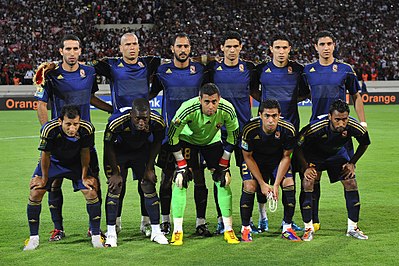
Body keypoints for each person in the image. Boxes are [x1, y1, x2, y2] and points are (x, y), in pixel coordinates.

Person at [33, 34, 112, 241]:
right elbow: (41, 104)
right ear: (61, 51)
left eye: (75, 49)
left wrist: (112, 110)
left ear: (80, 51)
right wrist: (47, 130)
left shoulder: (89, 72)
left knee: (93, 183)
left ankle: (93, 228)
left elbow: (91, 97)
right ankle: (58, 229)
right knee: (53, 183)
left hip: (84, 140)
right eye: (68, 49)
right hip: (59, 142)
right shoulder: (50, 74)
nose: (72, 53)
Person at [93, 32, 161, 236]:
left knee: (145, 183)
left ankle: (146, 222)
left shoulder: (149, 63)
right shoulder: (111, 65)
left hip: (142, 135)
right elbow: (85, 71)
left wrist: (145, 102)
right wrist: (110, 109)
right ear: (120, 48)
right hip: (120, 135)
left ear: (139, 47)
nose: (132, 48)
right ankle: (117, 222)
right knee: (117, 182)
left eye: (135, 44)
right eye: (127, 44)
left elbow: (164, 75)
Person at [302, 30, 367, 232]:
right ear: (316, 47)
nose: (326, 47)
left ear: (334, 45)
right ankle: (313, 221)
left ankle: (353, 227)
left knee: (348, 177)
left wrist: (362, 123)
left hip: (340, 132)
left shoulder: (345, 70)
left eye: (329, 43)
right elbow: (299, 94)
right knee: (313, 178)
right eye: (322, 44)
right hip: (316, 134)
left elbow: (356, 96)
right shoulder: (307, 71)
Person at [149, 33, 208, 236]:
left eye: (186, 46)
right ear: (172, 48)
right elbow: (150, 93)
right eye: (179, 46)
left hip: (195, 136)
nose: (183, 50)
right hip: (170, 136)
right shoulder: (162, 71)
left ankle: (201, 222)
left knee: (199, 179)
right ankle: (165, 221)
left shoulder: (200, 71)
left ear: (190, 48)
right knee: (167, 179)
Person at [167, 83, 240, 245]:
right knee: (180, 181)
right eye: (206, 101)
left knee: (223, 180)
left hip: (212, 143)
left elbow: (233, 137)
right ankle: (177, 231)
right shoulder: (187, 109)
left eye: (214, 102)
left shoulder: (227, 109)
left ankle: (229, 230)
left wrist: (224, 163)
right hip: (188, 141)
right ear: (200, 100)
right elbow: (172, 136)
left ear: (219, 99)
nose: (211, 106)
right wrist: (181, 164)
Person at [23, 105, 103, 250]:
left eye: (75, 124)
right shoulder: (49, 129)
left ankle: (96, 236)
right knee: (36, 192)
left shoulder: (87, 129)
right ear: (60, 121)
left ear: (80, 121)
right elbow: (45, 155)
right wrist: (44, 178)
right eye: (68, 124)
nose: (72, 128)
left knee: (90, 190)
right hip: (54, 162)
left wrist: (85, 176)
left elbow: (85, 153)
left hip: (76, 163)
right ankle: (34, 238)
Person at [203, 30, 259, 234]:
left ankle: (248, 220)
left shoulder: (249, 69)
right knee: (220, 178)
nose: (232, 50)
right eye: (228, 46)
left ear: (241, 48)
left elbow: (256, 91)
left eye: (236, 46)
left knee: (249, 178)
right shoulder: (213, 69)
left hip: (244, 132)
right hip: (220, 134)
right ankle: (221, 219)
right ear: (222, 48)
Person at [255, 33, 309, 232]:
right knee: (262, 175)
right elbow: (254, 90)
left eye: (284, 48)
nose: (281, 51)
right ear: (271, 49)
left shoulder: (297, 70)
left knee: (289, 179)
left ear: (289, 49)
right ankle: (262, 217)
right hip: (266, 131)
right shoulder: (261, 69)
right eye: (277, 48)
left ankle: (288, 221)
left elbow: (305, 91)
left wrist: (291, 100)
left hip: (290, 130)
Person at [297, 99, 370, 241]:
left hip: (336, 155)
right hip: (313, 156)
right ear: (330, 116)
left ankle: (353, 228)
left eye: (344, 119)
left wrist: (352, 163)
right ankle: (308, 228)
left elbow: (365, 143)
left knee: (351, 182)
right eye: (337, 119)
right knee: (308, 182)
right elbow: (298, 145)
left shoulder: (353, 126)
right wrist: (305, 167)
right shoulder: (315, 127)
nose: (341, 123)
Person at [103, 98, 168, 246]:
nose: (141, 122)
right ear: (131, 114)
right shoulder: (116, 122)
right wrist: (115, 172)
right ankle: (111, 232)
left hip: (141, 151)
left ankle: (156, 231)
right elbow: (108, 146)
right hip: (118, 152)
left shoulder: (158, 122)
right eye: (137, 118)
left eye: (145, 118)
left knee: (148, 184)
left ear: (150, 114)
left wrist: (149, 168)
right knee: (116, 187)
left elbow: (157, 143)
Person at [239, 99, 301, 242]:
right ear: (260, 115)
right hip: (254, 161)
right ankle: (245, 229)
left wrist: (276, 184)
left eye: (274, 116)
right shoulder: (249, 129)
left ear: (280, 115)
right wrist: (261, 183)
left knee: (289, 183)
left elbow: (287, 157)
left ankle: (287, 227)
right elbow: (247, 157)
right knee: (249, 185)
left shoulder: (288, 129)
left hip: (277, 161)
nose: (271, 120)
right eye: (267, 116)